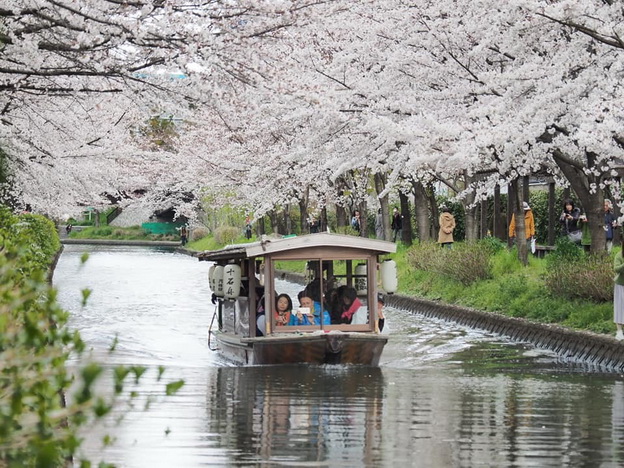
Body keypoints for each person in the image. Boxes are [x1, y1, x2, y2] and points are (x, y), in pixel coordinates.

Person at [613, 238, 624, 340]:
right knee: (620, 307)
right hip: (621, 284)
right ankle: (619, 330)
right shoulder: (619, 255)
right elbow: (616, 268)